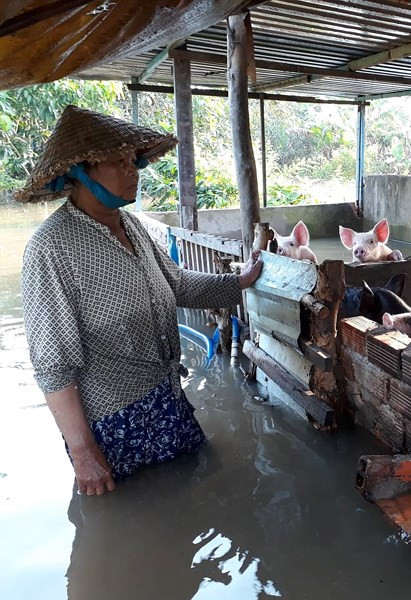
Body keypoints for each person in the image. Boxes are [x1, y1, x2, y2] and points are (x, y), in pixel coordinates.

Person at [17, 105, 263, 496]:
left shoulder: (131, 224)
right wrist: (83, 454)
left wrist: (241, 281)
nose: (132, 170)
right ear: (78, 171)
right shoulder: (52, 249)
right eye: (117, 161)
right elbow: (53, 367)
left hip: (168, 399)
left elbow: (180, 284)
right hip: (114, 425)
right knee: (127, 533)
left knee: (189, 508)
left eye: (133, 160)